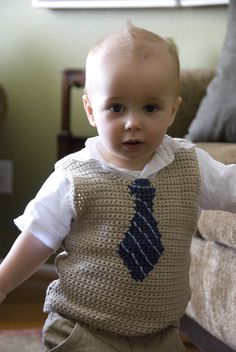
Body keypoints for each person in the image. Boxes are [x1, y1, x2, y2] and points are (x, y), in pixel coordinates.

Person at [0, 24, 236, 352]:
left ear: (173, 110)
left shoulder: (191, 165)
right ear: (91, 110)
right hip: (83, 327)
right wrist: (4, 281)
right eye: (116, 107)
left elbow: (230, 186)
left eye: (150, 108)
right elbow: (39, 236)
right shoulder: (74, 177)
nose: (132, 122)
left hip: (161, 333)